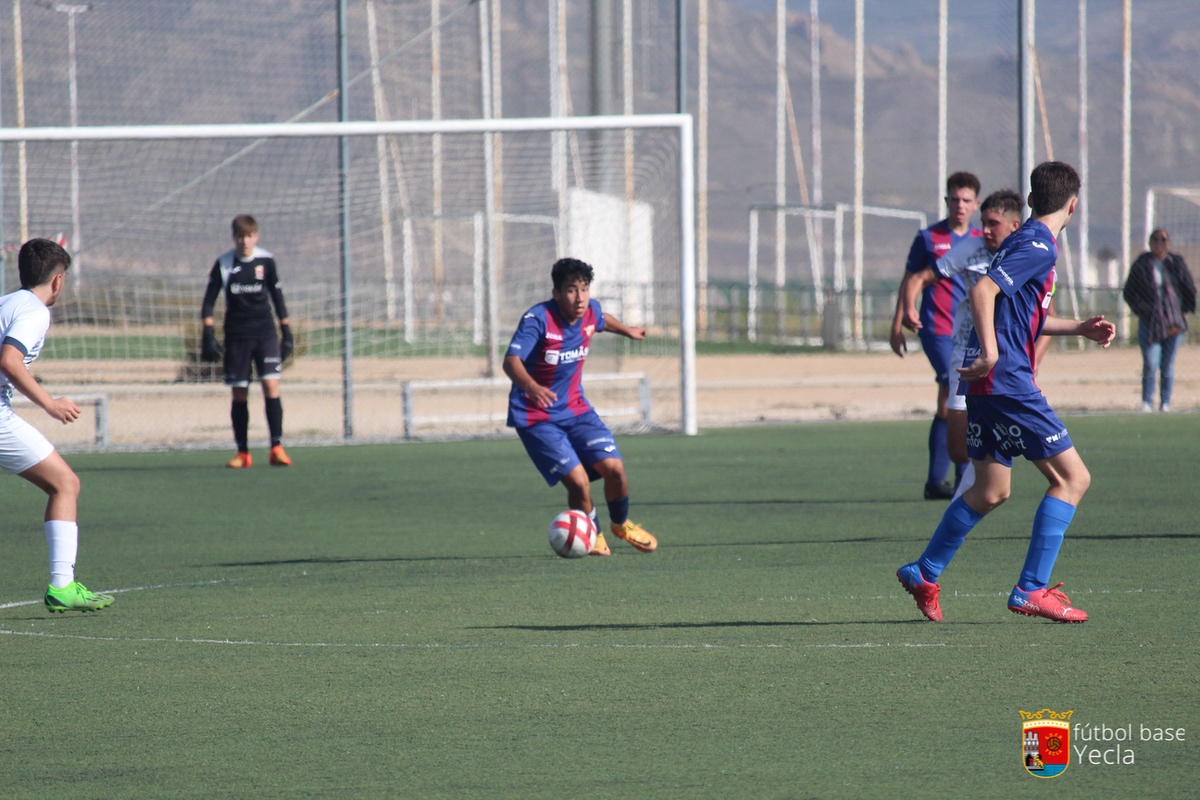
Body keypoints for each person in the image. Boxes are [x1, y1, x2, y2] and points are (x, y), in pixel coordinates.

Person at [897, 161, 1116, 624]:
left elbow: (1024, 316)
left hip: (983, 385)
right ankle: (1031, 588)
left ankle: (925, 570)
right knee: (1072, 479)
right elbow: (982, 292)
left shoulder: (1024, 241)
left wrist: (1079, 327)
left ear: (1033, 201)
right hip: (1007, 380)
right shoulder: (1037, 245)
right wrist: (994, 354)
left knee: (991, 490)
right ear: (1073, 204)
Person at [503, 257, 657, 556]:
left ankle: (620, 525)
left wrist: (627, 330)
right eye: (572, 290)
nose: (580, 297)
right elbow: (511, 361)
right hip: (536, 417)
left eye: (584, 289)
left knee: (615, 470)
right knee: (579, 482)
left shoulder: (591, 311)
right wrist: (532, 387)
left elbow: (602, 318)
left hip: (577, 410)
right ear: (556, 293)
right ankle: (594, 535)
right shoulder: (538, 320)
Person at [899, 189, 1037, 497]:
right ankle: (967, 481)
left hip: (1010, 354)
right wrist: (909, 306)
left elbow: (1043, 316)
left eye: (992, 224)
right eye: (983, 223)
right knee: (960, 449)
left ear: (1014, 226)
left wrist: (1034, 359)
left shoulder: (1028, 254)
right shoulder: (971, 248)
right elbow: (919, 277)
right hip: (967, 349)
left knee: (1013, 437)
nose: (985, 230)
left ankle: (974, 492)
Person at [0, 239, 113, 613]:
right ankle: (62, 586)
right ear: (59, 281)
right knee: (65, 483)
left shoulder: (7, 302)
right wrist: (50, 403)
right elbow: (10, 361)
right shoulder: (34, 312)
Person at [890, 171, 981, 499]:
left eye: (966, 200)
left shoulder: (980, 242)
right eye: (954, 199)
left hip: (966, 334)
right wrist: (897, 321)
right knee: (951, 385)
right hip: (935, 330)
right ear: (946, 201)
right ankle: (954, 480)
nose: (959, 205)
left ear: (976, 204)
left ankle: (938, 482)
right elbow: (910, 279)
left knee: (953, 401)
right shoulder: (929, 238)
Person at [200, 214, 294, 468]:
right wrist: (207, 333)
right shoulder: (224, 263)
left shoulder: (266, 260)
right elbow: (209, 301)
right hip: (237, 336)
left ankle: (277, 447)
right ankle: (243, 453)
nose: (245, 241)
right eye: (240, 236)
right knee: (239, 392)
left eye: (249, 236)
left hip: (265, 334)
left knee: (271, 386)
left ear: (256, 236)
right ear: (234, 237)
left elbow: (277, 296)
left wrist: (287, 331)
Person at [1122, 228, 1196, 413]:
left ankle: (1165, 403)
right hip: (1151, 322)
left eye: (1163, 239)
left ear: (1168, 243)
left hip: (1173, 322)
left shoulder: (1175, 262)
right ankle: (1147, 401)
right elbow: (1129, 292)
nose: (1159, 243)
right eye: (1155, 239)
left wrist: (1184, 309)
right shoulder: (1142, 264)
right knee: (1150, 361)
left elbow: (1188, 287)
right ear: (1150, 243)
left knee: (1167, 364)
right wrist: (1144, 310)